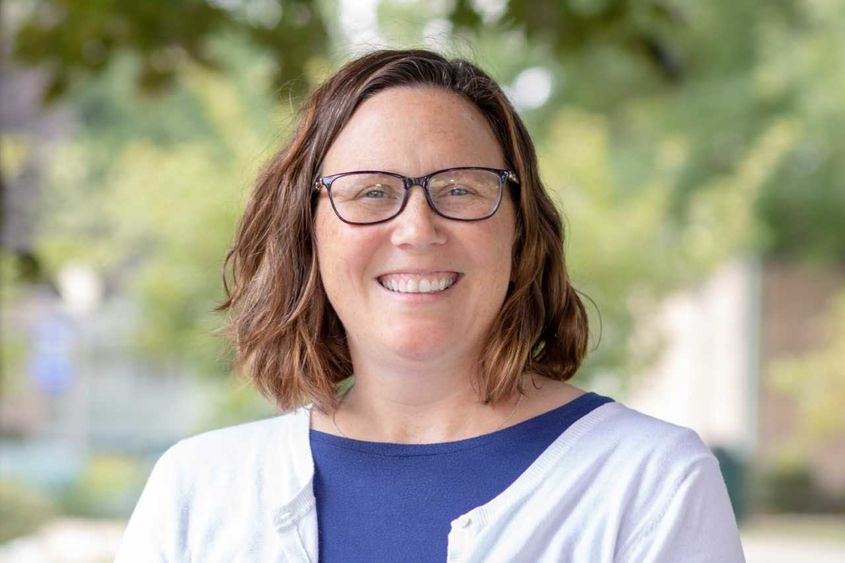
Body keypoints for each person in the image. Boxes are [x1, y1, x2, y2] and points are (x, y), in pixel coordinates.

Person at [115, 49, 745, 562]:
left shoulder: (648, 483)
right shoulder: (198, 492)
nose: (417, 230)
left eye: (460, 189)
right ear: (307, 233)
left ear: (520, 229)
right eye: (370, 192)